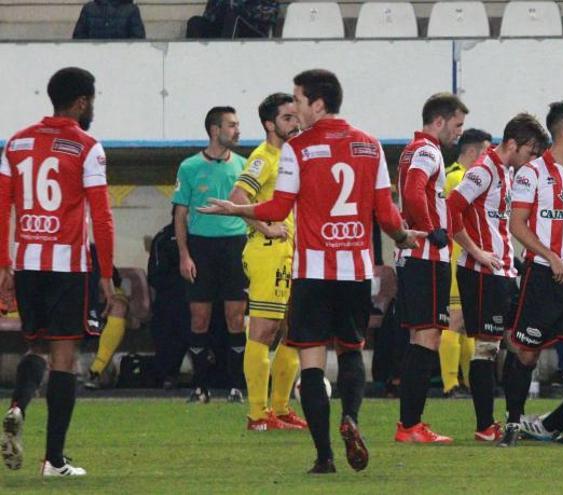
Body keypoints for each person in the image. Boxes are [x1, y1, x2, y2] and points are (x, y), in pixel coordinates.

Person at [198, 69, 423, 474]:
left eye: (299, 100)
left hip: (312, 272)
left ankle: (324, 457)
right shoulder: (370, 146)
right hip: (355, 271)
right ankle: (350, 417)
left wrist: (236, 209)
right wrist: (404, 237)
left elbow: (277, 209)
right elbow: (386, 215)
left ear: (318, 103)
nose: (295, 107)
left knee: (313, 362)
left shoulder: (297, 149)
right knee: (352, 351)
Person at [1, 67, 114, 476]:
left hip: (28, 262)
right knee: (65, 359)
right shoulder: (86, 147)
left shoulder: (16, 143)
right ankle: (53, 460)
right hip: (68, 266)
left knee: (35, 349)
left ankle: (17, 406)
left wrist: (3, 264)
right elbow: (101, 217)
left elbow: (2, 207)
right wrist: (104, 272)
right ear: (82, 101)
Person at [503, 99, 563, 447]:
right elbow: (517, 224)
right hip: (544, 276)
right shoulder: (531, 173)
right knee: (526, 353)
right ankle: (513, 423)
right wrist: (551, 257)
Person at [447, 114, 549, 441]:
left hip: (502, 270)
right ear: (512, 144)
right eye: (530, 152)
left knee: (512, 342)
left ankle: (509, 417)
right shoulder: (483, 170)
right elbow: (452, 209)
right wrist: (476, 252)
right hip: (481, 272)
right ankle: (484, 426)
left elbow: (495, 223)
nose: (532, 160)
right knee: (487, 347)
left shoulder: (505, 171)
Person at [229, 92, 307, 431]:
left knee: (294, 329)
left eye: (295, 116)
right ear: (269, 124)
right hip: (267, 251)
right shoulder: (264, 157)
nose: (294, 122)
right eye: (287, 118)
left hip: (290, 253)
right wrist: (268, 228)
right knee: (263, 331)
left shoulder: (290, 157)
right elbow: (238, 198)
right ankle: (258, 414)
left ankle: (280, 408)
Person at [394, 92, 468, 444]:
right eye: (456, 125)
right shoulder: (428, 151)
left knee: (420, 337)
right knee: (429, 337)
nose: (458, 133)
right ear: (438, 122)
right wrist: (432, 230)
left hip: (413, 258)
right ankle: (411, 425)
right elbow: (412, 192)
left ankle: (409, 423)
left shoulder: (413, 149)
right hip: (425, 257)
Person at [172, 106, 249, 404]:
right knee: (199, 318)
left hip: (235, 246)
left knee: (235, 317)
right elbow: (180, 214)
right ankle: (200, 387)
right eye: (232, 125)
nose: (237, 130)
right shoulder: (189, 167)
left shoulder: (244, 165)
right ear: (215, 130)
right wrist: (184, 255)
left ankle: (236, 386)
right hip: (201, 247)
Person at [440, 128, 492, 399]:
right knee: (454, 321)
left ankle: (468, 383)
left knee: (467, 325)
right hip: (454, 256)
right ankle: (450, 385)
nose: (488, 157)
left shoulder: (458, 175)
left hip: (468, 257)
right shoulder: (458, 177)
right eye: (485, 151)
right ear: (472, 152)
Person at [146, 215, 191, 389]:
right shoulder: (163, 238)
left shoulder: (202, 236)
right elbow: (155, 276)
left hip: (199, 297)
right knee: (169, 320)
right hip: (171, 299)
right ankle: (167, 375)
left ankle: (212, 376)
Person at [83, 246, 128, 390]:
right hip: (75, 307)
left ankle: (95, 371)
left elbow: (112, 282)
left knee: (119, 306)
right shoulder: (62, 256)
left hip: (100, 305)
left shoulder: (95, 252)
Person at [187, 0, 279, 39]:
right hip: (222, 28)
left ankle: (225, 62)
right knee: (195, 23)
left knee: (232, 17)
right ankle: (192, 65)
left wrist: (243, 9)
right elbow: (208, 15)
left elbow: (271, 14)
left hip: (251, 32)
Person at [73, 0, 146, 39]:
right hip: (93, 60)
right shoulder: (89, 9)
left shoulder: (131, 10)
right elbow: (78, 39)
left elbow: (137, 41)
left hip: (122, 61)